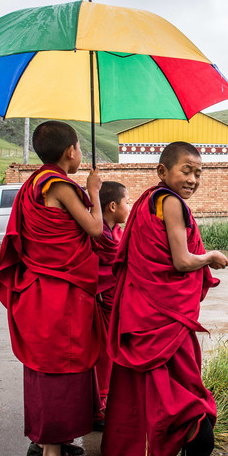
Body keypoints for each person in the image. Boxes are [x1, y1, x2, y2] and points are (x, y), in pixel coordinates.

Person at [102, 141, 228, 456]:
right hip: (165, 317)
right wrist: (210, 257)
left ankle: (128, 454)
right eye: (186, 171)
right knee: (186, 393)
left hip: (142, 309)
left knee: (142, 387)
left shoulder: (148, 201)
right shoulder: (171, 203)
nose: (193, 179)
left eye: (198, 173)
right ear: (162, 171)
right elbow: (182, 261)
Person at [0, 121, 103, 456]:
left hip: (35, 289)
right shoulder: (61, 185)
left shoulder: (33, 184)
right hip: (61, 292)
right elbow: (95, 229)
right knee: (61, 369)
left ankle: (39, 445)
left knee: (41, 369)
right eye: (79, 147)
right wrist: (94, 191)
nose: (80, 153)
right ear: (70, 151)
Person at [91, 181, 131, 432]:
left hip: (117, 302)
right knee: (102, 356)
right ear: (113, 206)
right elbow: (90, 265)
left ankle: (108, 401)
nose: (129, 207)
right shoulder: (96, 235)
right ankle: (99, 407)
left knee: (115, 353)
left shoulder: (117, 233)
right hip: (102, 302)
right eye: (127, 202)